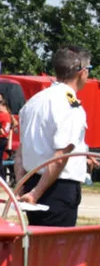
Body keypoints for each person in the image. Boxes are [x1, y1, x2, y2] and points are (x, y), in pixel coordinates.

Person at [13, 45, 92, 227]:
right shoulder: (70, 105)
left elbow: (21, 152)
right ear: (82, 72)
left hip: (33, 182)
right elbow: (60, 156)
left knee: (37, 248)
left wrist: (22, 186)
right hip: (56, 187)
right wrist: (35, 193)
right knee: (58, 251)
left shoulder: (34, 101)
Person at [0, 95, 13, 183]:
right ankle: (3, 179)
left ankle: (2, 179)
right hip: (5, 139)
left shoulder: (2, 115)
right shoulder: (9, 115)